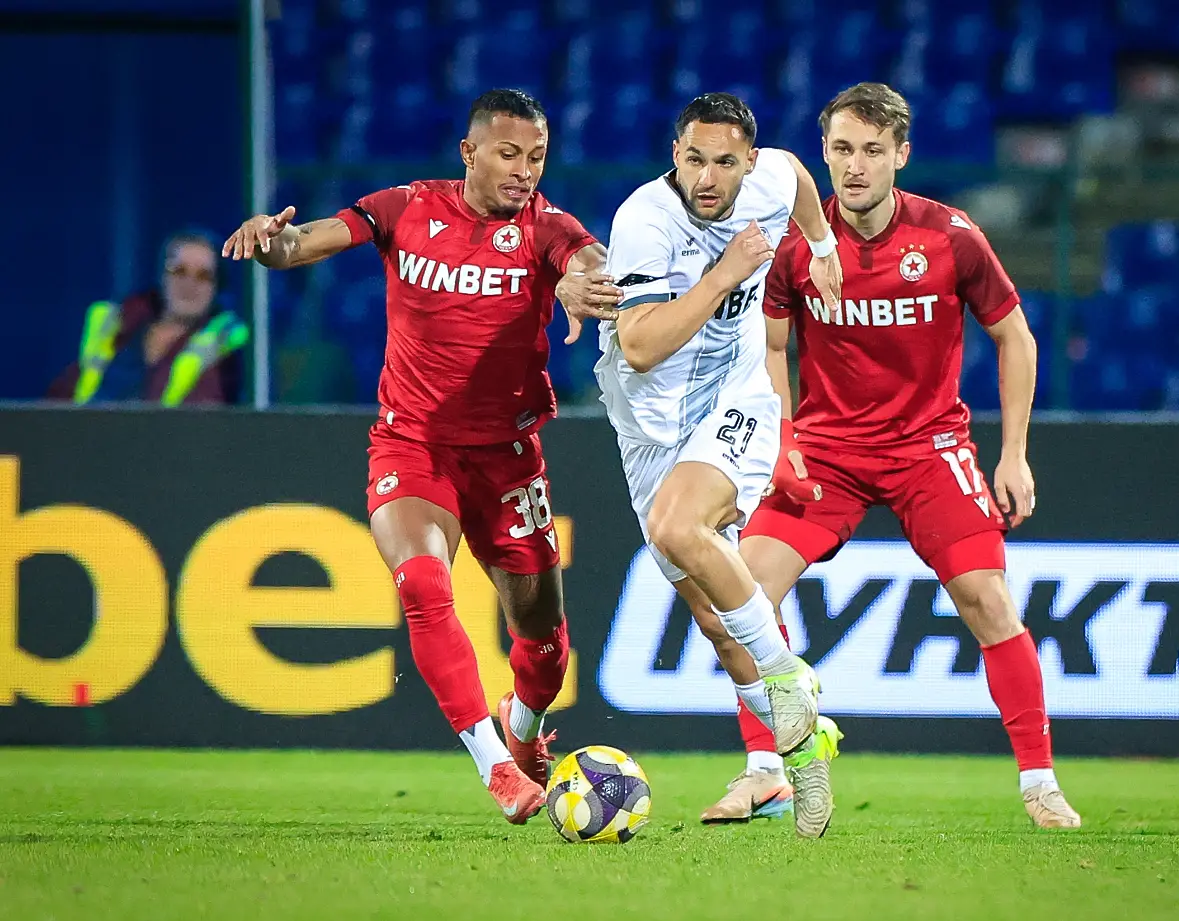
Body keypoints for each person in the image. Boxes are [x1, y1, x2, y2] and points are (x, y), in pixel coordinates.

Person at [223, 89, 622, 826]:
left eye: (536, 157)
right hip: (413, 445)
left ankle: (525, 729)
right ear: (467, 153)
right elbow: (302, 243)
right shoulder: (405, 208)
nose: (524, 171)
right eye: (508, 154)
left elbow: (585, 259)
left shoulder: (547, 229)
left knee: (544, 646)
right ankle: (496, 768)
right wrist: (269, 240)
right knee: (421, 581)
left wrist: (578, 281)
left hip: (508, 461)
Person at [701, 82, 1082, 829]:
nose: (855, 166)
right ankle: (768, 772)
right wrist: (781, 441)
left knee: (988, 600)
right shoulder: (795, 247)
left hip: (929, 447)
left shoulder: (950, 236)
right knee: (740, 593)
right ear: (825, 155)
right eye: (842, 149)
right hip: (828, 451)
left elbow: (1016, 336)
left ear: (900, 155)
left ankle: (1039, 783)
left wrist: (1014, 455)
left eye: (872, 151)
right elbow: (771, 348)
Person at [594, 93, 845, 839]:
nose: (709, 177)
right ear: (675, 153)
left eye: (726, 161)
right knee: (712, 617)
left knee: (678, 527)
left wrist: (823, 246)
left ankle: (792, 680)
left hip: (734, 401)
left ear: (747, 161)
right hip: (647, 427)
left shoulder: (769, 180)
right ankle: (799, 755)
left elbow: (800, 177)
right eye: (695, 158)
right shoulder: (644, 221)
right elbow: (638, 345)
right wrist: (728, 269)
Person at [49, 230, 248, 406]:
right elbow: (59, 401)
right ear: (161, 277)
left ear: (217, 287)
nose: (189, 284)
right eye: (179, 271)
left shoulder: (227, 350)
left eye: (203, 276)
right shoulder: (119, 326)